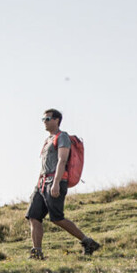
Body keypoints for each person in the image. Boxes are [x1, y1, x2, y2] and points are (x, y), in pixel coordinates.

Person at [26, 108, 99, 259]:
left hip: (55, 180)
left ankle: (88, 241)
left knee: (57, 217)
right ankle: (36, 252)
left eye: (47, 119)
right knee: (33, 216)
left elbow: (62, 160)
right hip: (42, 182)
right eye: (43, 119)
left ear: (56, 120)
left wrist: (56, 183)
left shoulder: (62, 137)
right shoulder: (48, 140)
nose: (44, 122)